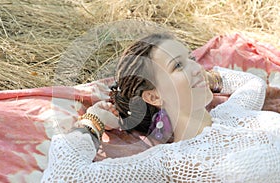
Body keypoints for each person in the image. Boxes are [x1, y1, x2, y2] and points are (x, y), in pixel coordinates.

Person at [41, 33, 280, 182]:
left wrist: (212, 79)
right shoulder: (171, 162)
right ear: (154, 97)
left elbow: (253, 82)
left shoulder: (231, 113)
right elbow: (66, 177)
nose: (196, 69)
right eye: (178, 66)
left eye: (192, 60)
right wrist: (93, 121)